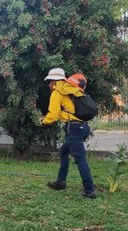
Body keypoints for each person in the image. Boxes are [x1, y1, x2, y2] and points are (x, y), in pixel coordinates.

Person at [41, 68, 96, 199]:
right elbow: (70, 110)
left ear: (53, 81)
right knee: (64, 151)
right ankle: (61, 182)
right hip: (83, 127)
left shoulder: (57, 92)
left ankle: (90, 190)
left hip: (74, 129)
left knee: (80, 159)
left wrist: (44, 122)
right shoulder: (72, 89)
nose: (49, 85)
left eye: (49, 81)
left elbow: (53, 115)